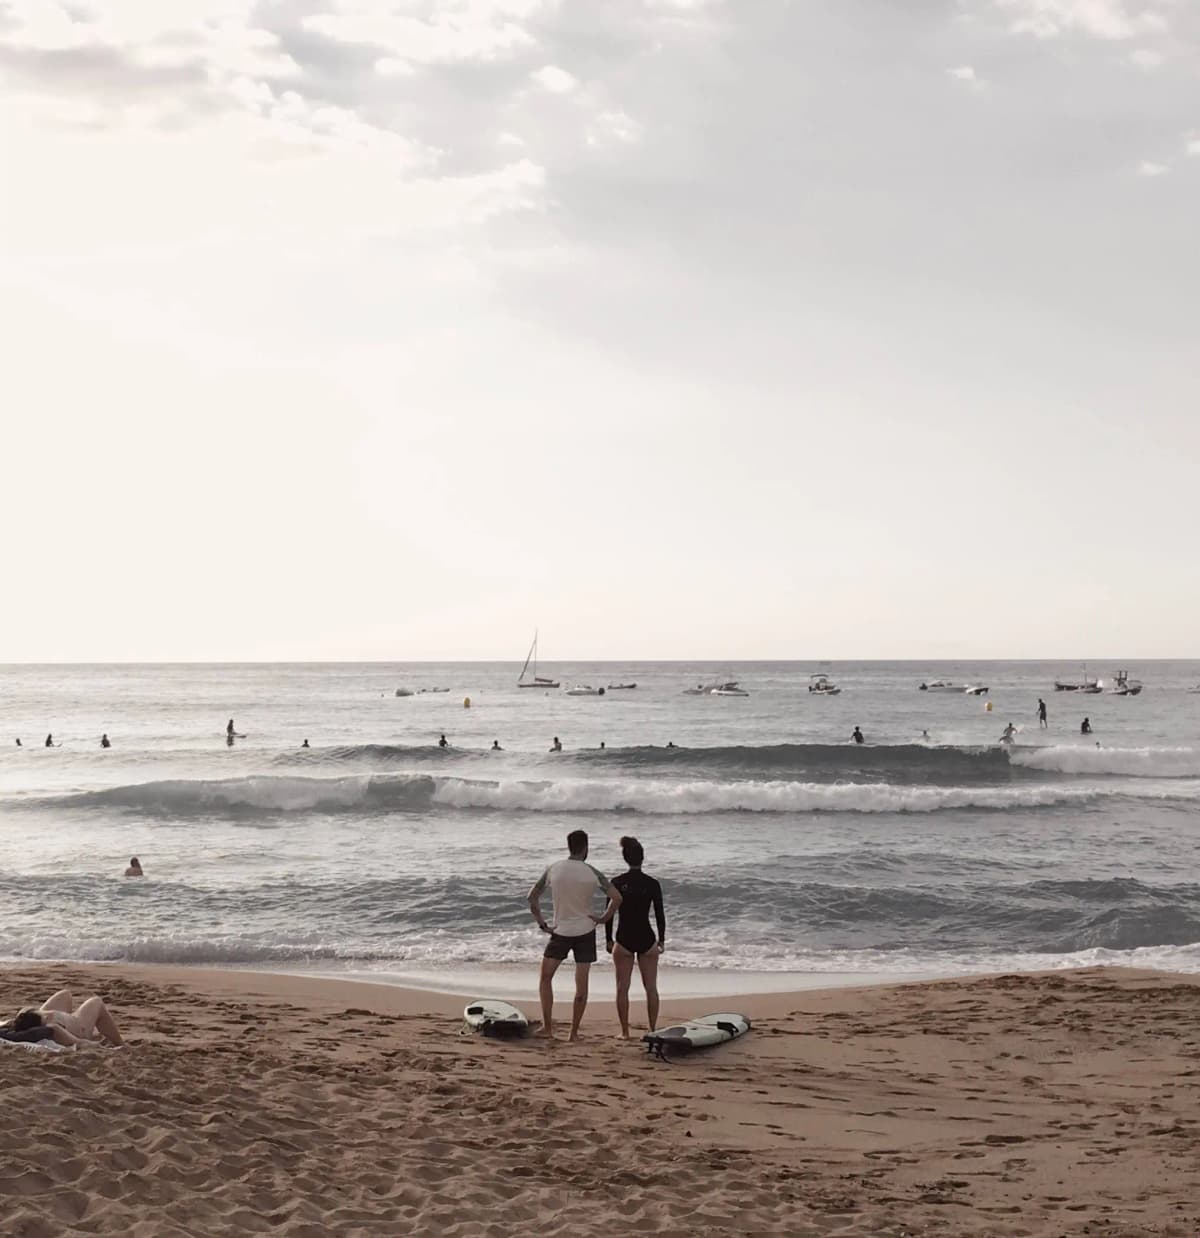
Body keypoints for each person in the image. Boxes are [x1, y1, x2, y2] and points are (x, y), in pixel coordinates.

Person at [527, 829, 621, 1041]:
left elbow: (532, 897)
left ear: (569, 846)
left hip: (560, 932)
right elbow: (617, 897)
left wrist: (542, 923)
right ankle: (573, 1034)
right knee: (581, 985)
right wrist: (604, 918)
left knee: (545, 978)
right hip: (586, 932)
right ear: (585, 848)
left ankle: (548, 1028)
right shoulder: (592, 872)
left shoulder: (554, 869)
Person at [605, 835, 666, 1039]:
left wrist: (608, 940)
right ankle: (653, 1029)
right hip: (647, 938)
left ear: (625, 858)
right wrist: (662, 940)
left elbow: (609, 914)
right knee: (651, 988)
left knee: (622, 988)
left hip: (623, 939)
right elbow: (659, 914)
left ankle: (624, 1032)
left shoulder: (616, 883)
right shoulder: (652, 884)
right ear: (642, 858)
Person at [2, 990, 124, 1047]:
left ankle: (35, 1013)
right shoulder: (53, 1028)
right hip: (79, 1028)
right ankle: (121, 1043)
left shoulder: (18, 1022)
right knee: (96, 1002)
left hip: (44, 1018)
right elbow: (80, 1043)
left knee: (65, 994)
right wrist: (97, 1045)